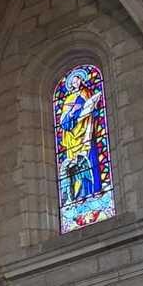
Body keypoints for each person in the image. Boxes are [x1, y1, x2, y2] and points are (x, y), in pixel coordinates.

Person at [57, 68, 104, 204]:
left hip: (86, 132)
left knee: (89, 160)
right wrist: (72, 113)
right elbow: (64, 122)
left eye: (77, 80)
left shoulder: (87, 93)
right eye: (73, 81)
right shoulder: (68, 99)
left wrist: (89, 109)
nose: (75, 82)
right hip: (73, 137)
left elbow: (94, 109)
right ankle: (78, 196)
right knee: (75, 165)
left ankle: (94, 190)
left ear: (81, 80)